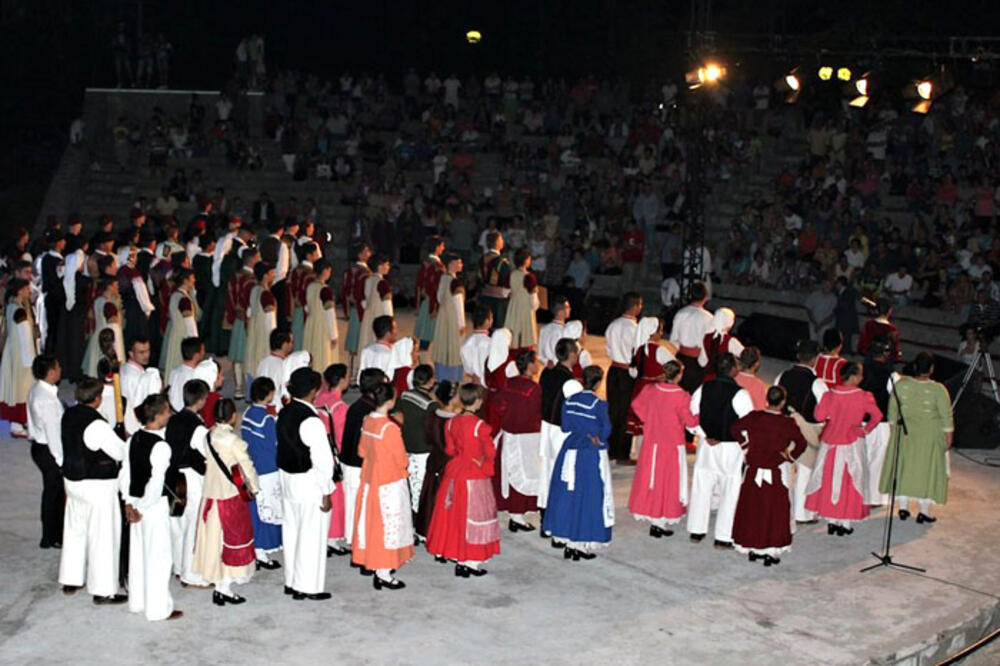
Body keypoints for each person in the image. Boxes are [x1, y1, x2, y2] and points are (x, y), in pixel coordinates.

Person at [58, 377, 128, 604]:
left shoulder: (68, 415)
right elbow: (119, 452)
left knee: (75, 530)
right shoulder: (96, 424)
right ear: (97, 399)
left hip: (72, 480)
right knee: (103, 536)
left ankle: (71, 577)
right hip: (96, 485)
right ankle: (103, 589)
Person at [426, 384, 501, 577]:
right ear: (477, 402)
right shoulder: (480, 426)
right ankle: (471, 562)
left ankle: (459, 559)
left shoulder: (451, 423)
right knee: (474, 518)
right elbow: (490, 452)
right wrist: (484, 466)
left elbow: (450, 450)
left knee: (456, 518)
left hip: (454, 474)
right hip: (473, 475)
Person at [730, 386, 808, 566]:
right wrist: (789, 456)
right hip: (775, 473)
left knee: (753, 510)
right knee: (773, 512)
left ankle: (752, 547)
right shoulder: (787, 423)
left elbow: (735, 429)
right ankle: (771, 551)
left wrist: (745, 445)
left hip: (753, 472)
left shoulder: (755, 417)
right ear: (782, 402)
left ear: (767, 400)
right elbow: (801, 444)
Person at [121, 394, 183, 621]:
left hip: (135, 503)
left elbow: (125, 472)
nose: (169, 415)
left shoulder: (133, 439)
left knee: (138, 556)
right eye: (167, 411)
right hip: (152, 506)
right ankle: (158, 609)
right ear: (157, 415)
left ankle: (137, 601)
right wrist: (143, 507)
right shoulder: (161, 447)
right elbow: (156, 483)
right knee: (159, 557)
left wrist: (129, 502)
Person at [191, 398, 259, 605]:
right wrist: (254, 488)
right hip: (230, 497)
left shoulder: (208, 436)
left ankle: (219, 584)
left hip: (210, 496)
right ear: (233, 417)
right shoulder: (234, 442)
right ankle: (225, 587)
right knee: (231, 543)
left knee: (214, 542)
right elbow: (246, 467)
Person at [542, 365, 614, 560]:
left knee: (568, 495)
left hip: (570, 449)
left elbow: (565, 427)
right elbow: (605, 429)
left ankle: (568, 539)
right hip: (590, 453)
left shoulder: (570, 401)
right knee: (589, 496)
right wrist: (598, 439)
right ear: (599, 383)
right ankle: (581, 544)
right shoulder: (599, 404)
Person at [805, 362, 883, 536]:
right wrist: (865, 429)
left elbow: (818, 416)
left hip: (831, 442)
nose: (862, 378)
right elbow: (877, 416)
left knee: (829, 478)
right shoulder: (863, 396)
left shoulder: (829, 394)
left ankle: (831, 520)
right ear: (853, 377)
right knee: (850, 481)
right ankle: (845, 522)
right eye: (860, 375)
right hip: (852, 441)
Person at [687, 353, 755, 549]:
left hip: (707, 445)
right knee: (729, 490)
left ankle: (696, 530)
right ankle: (723, 537)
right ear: (733, 369)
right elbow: (747, 424)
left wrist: (703, 433)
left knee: (702, 486)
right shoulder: (740, 394)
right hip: (730, 447)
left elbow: (692, 417)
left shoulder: (703, 388)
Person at [277, 367, 334, 600]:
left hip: (288, 479)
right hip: (309, 482)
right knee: (311, 535)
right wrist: (326, 490)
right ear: (314, 392)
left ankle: (291, 581)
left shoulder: (285, 411)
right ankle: (307, 586)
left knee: (291, 532)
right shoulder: (312, 421)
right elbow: (323, 460)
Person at [352, 382, 414, 590]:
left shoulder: (367, 420)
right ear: (391, 401)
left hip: (370, 479)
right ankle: (384, 572)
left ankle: (374, 562)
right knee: (388, 526)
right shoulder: (389, 428)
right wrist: (404, 468)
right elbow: (400, 458)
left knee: (371, 524)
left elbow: (361, 451)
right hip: (389, 481)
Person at [881, 353, 954, 523]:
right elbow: (946, 416)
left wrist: (893, 430)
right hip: (930, 435)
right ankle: (924, 511)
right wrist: (949, 436)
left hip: (905, 433)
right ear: (931, 369)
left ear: (914, 367)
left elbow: (892, 411)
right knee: (926, 471)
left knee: (905, 468)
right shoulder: (939, 389)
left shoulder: (901, 385)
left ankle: (903, 508)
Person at [628, 360, 698, 538]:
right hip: (672, 445)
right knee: (668, 482)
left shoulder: (650, 390)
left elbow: (636, 405)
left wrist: (649, 419)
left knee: (652, 479)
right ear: (678, 375)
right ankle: (661, 519)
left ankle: (655, 518)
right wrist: (698, 416)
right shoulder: (681, 396)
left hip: (652, 442)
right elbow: (690, 421)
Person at [776, 340, 828, 525]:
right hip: (806, 431)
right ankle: (801, 514)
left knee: (784, 471)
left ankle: (782, 510)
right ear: (815, 359)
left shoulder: (782, 376)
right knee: (805, 472)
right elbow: (824, 410)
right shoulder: (817, 383)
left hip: (785, 427)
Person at [165, 378, 210, 587]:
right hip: (191, 478)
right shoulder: (197, 427)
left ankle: (177, 566)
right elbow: (207, 453)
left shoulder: (173, 420)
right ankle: (190, 574)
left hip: (174, 477)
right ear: (201, 401)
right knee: (194, 526)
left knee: (178, 524)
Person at [492, 349, 544, 532]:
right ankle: (517, 515)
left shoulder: (508, 383)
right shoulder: (533, 389)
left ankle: (515, 514)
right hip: (527, 438)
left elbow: (499, 406)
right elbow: (536, 413)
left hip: (509, 437)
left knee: (512, 474)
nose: (538, 365)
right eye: (535, 361)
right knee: (524, 475)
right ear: (529, 366)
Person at [339, 368, 386, 552]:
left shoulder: (357, 406)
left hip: (349, 462)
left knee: (353, 506)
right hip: (358, 465)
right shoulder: (369, 411)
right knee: (360, 508)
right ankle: (359, 547)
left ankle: (354, 542)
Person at [242, 377, 284, 568]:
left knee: (257, 509)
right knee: (270, 509)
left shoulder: (247, 414)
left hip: (253, 464)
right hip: (269, 468)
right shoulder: (267, 419)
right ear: (269, 394)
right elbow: (275, 444)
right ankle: (264, 550)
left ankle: (256, 547)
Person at [538, 338, 579, 518]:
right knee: (561, 470)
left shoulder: (547, 373)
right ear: (571, 355)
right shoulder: (570, 380)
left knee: (546, 468)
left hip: (545, 425)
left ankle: (545, 507)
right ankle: (557, 511)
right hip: (560, 429)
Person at [27, 354, 65, 549]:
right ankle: (52, 536)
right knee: (54, 494)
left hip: (39, 446)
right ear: (51, 372)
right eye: (58, 367)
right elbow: (52, 433)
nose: (60, 370)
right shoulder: (46, 400)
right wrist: (60, 460)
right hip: (48, 450)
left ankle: (51, 534)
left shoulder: (37, 390)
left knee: (52, 493)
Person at [625, 316, 676, 455]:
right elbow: (675, 365)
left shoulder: (639, 349)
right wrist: (664, 376)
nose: (661, 333)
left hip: (640, 386)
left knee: (639, 419)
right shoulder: (659, 350)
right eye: (660, 330)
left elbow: (634, 372)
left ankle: (635, 450)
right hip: (654, 388)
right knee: (649, 420)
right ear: (654, 331)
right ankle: (647, 450)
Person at [415, 381, 459, 541]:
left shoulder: (432, 415)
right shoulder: (455, 420)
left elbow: (428, 437)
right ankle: (444, 534)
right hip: (448, 462)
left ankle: (424, 530)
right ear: (453, 398)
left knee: (430, 496)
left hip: (434, 459)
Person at [392, 364, 436, 526]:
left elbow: (394, 413)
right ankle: (419, 524)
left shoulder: (404, 395)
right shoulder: (431, 405)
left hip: (405, 446)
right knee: (420, 488)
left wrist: (406, 425)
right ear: (431, 382)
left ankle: (409, 520)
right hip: (423, 449)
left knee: (409, 486)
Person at [604, 292, 642, 463]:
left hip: (614, 369)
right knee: (626, 413)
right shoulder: (635, 329)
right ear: (635, 307)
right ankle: (622, 453)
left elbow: (609, 349)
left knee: (613, 410)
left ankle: (611, 448)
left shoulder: (613, 324)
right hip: (628, 372)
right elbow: (637, 353)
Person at [860, 338, 896, 506]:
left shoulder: (860, 370)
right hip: (880, 423)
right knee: (877, 460)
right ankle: (874, 497)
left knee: (860, 458)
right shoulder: (891, 375)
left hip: (860, 420)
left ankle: (857, 493)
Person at [1, 278, 38, 438]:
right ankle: (17, 424)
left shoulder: (12, 307)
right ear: (20, 291)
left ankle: (19, 422)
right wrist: (31, 361)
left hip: (13, 352)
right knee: (21, 389)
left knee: (16, 388)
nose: (29, 291)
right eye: (27, 289)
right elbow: (25, 337)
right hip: (22, 356)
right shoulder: (19, 311)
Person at [225, 247, 258, 399]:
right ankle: (249, 389)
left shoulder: (234, 276)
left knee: (237, 355)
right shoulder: (252, 279)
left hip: (238, 319)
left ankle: (238, 388)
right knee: (249, 354)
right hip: (249, 320)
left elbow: (230, 297)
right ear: (251, 259)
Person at [670, 281, 713, 393]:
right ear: (705, 297)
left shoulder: (680, 313)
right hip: (697, 361)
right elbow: (708, 344)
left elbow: (673, 339)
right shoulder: (708, 318)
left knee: (679, 391)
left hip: (681, 357)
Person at [431, 253, 467, 383]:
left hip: (443, 316)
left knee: (443, 345)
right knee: (453, 347)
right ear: (451, 264)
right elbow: (459, 305)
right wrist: (461, 324)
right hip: (453, 319)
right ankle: (453, 377)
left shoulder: (443, 278)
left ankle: (441, 376)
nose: (461, 265)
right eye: (459, 262)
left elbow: (439, 298)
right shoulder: (455, 282)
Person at [159, 269, 199, 377]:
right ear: (185, 281)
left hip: (175, 335)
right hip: (184, 336)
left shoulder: (174, 295)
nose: (194, 280)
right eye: (192, 278)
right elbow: (189, 323)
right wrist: (195, 342)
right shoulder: (184, 299)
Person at [342, 243, 373, 379]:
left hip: (357, 308)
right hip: (362, 308)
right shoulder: (363, 272)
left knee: (355, 341)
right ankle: (355, 372)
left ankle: (353, 372)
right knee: (358, 340)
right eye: (366, 251)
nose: (368, 254)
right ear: (360, 254)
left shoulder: (352, 271)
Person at [120, 337, 162, 437]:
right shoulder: (137, 377)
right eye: (141, 352)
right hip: (135, 426)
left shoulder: (124, 368)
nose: (146, 355)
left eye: (148, 350)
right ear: (131, 353)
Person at [244, 262, 278, 386]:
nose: (273, 275)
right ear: (265, 275)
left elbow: (248, 312)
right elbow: (270, 319)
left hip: (254, 332)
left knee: (253, 361)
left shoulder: (254, 290)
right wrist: (274, 338)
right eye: (271, 273)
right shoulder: (266, 294)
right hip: (264, 335)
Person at [302, 259, 339, 372]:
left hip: (311, 324)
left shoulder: (310, 287)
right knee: (323, 356)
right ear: (325, 270)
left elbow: (306, 307)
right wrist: (334, 335)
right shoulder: (325, 290)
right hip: (322, 327)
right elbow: (329, 313)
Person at [414, 236, 446, 352]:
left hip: (425, 302)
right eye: (442, 246)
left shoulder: (425, 263)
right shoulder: (438, 266)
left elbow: (418, 285)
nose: (443, 248)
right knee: (428, 333)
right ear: (437, 247)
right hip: (432, 302)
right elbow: (436, 289)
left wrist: (417, 304)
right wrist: (435, 307)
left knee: (425, 333)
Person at [504, 249, 539, 351]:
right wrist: (535, 307)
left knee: (513, 330)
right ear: (526, 260)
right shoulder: (529, 277)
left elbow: (505, 292)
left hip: (513, 306)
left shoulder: (511, 274)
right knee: (525, 333)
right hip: (525, 307)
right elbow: (533, 299)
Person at [358, 255, 394, 352]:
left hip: (368, 316)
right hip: (379, 316)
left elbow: (364, 302)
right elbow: (387, 304)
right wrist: (390, 321)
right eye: (387, 264)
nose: (388, 267)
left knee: (368, 340)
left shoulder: (368, 280)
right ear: (380, 266)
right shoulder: (382, 283)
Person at [699, 307, 744, 383]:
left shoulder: (707, 337)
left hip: (707, 378)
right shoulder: (731, 341)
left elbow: (702, 362)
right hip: (724, 380)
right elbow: (746, 357)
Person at [255, 329, 295, 412]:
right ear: (284, 345)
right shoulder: (284, 365)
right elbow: (285, 394)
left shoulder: (263, 361)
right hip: (276, 409)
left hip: (260, 405)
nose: (292, 345)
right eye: (291, 342)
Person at [479, 231, 510, 327]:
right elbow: (507, 281)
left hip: (484, 295)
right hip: (498, 299)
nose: (503, 241)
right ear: (497, 243)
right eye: (501, 239)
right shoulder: (502, 261)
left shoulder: (482, 258)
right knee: (497, 326)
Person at [167, 337, 204, 412]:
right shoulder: (195, 376)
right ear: (196, 356)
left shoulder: (174, 372)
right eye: (202, 351)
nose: (204, 353)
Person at [858, 297, 902, 363]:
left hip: (870, 360)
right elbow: (895, 352)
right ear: (890, 311)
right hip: (885, 363)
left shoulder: (870, 324)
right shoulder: (892, 329)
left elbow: (862, 346)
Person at [460, 305, 494, 385]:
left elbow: (466, 366)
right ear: (487, 321)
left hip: (471, 381)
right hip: (487, 382)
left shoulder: (465, 343)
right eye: (491, 317)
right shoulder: (491, 344)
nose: (493, 320)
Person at [357, 315, 396, 382]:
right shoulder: (392, 353)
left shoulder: (366, 351)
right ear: (388, 333)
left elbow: (359, 379)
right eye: (395, 328)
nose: (396, 332)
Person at [537, 295, 571, 368]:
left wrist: (547, 362)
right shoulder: (564, 331)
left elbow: (540, 355)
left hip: (548, 368)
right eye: (567, 307)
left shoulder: (543, 329)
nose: (570, 309)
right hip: (561, 368)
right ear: (560, 311)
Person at [833, 276, 860, 354]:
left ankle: (846, 351)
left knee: (846, 336)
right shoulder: (840, 292)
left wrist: (836, 310)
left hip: (847, 318)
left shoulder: (849, 292)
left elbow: (844, 305)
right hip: (844, 318)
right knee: (844, 336)